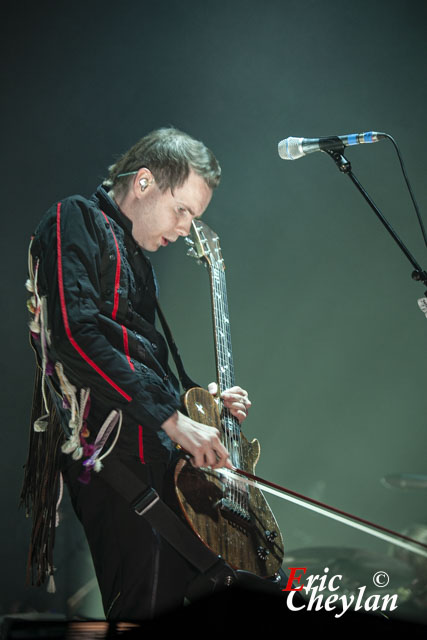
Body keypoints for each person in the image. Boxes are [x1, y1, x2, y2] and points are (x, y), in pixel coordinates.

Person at [22, 127, 251, 620]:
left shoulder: (137, 261)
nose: (186, 228)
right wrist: (172, 418)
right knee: (146, 604)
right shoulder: (74, 217)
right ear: (144, 182)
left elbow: (144, 360)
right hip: (113, 455)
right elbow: (73, 333)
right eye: (183, 210)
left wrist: (198, 400)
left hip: (158, 460)